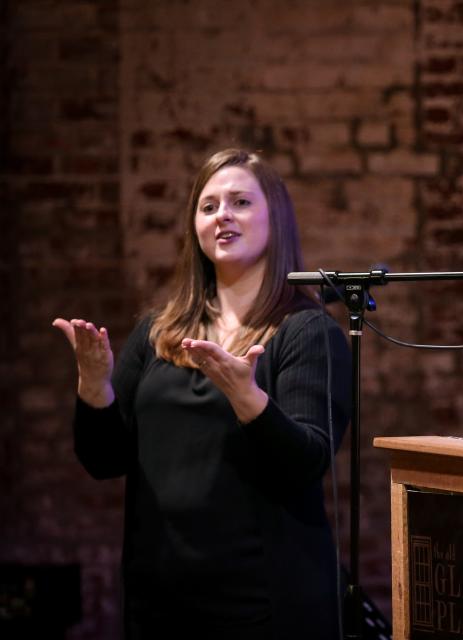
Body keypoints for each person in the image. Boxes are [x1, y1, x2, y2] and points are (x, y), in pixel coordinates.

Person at [53, 149, 351, 638]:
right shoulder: (158, 330)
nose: (223, 216)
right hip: (161, 601)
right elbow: (103, 459)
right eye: (208, 206)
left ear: (275, 219)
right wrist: (94, 384)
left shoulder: (305, 332)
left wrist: (246, 397)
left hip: (261, 604)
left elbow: (307, 461)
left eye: (240, 202)